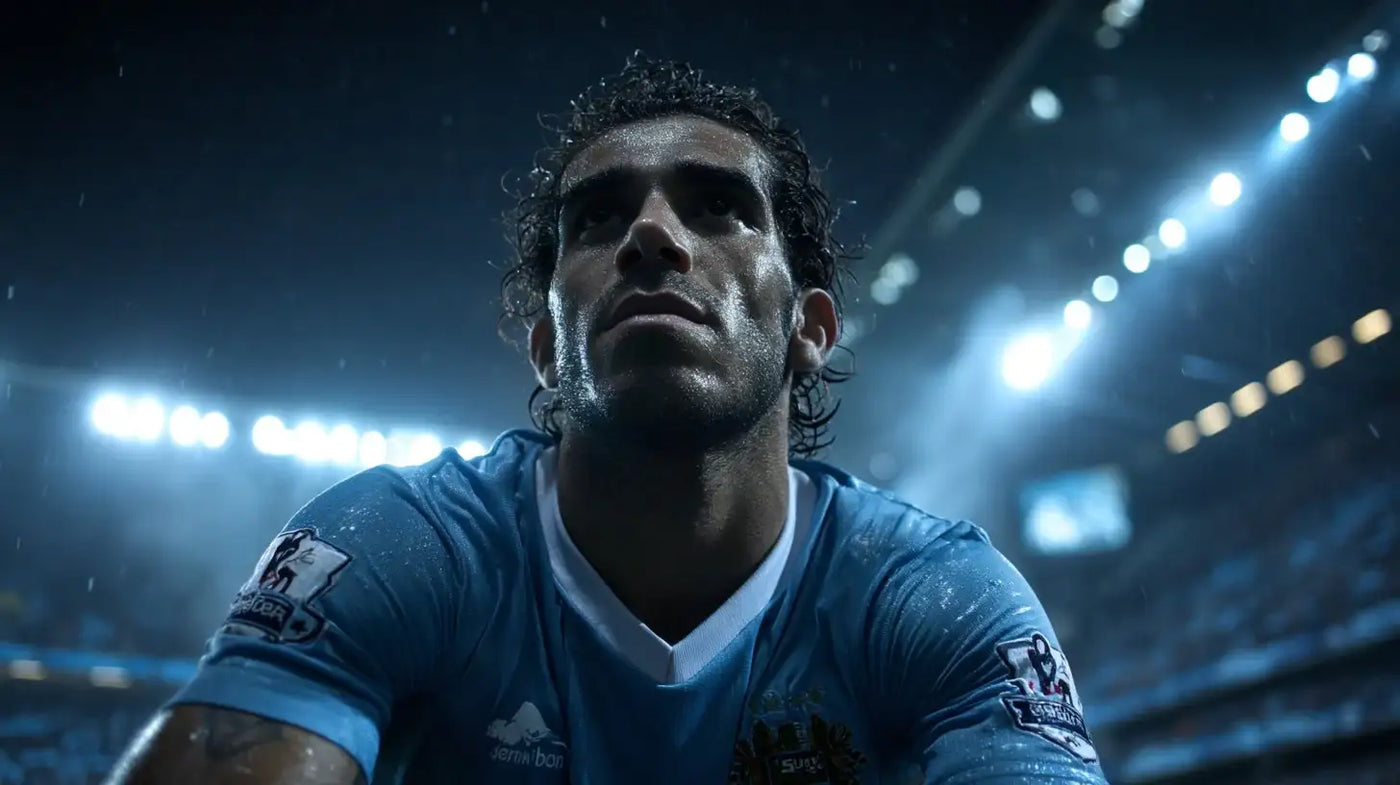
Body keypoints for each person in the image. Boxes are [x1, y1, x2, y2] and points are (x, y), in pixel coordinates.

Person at [106, 54, 1107, 785]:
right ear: (547, 343)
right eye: (597, 218)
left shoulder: (938, 596)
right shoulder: (399, 545)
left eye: (718, 207)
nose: (651, 237)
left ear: (809, 328)